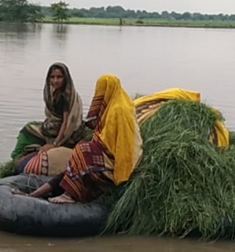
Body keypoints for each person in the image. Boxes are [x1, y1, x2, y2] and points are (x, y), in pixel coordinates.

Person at [16, 74, 142, 204]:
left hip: (117, 159)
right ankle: (34, 195)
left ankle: (69, 195)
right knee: (71, 166)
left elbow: (120, 143)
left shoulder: (119, 110)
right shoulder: (111, 106)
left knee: (83, 150)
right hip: (108, 152)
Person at [10, 62, 86, 160]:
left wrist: (55, 143)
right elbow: (53, 115)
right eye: (52, 77)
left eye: (59, 77)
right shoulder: (54, 93)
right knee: (32, 124)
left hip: (60, 130)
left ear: (65, 78)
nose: (55, 81)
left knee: (27, 129)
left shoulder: (65, 97)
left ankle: (17, 156)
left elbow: (66, 122)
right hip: (54, 124)